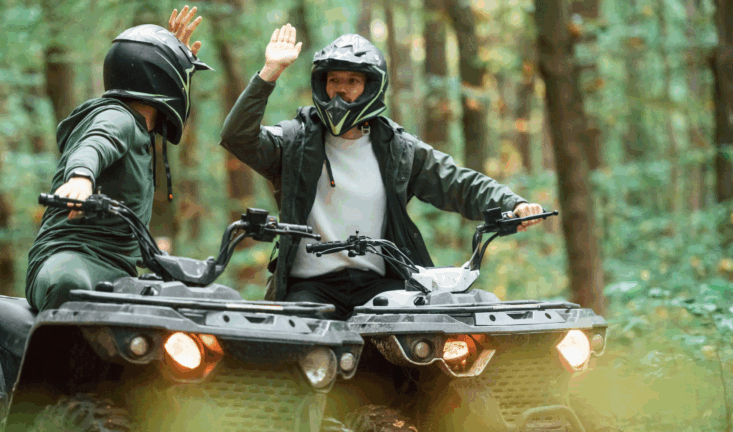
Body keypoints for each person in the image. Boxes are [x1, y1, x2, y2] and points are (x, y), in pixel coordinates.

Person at [220, 24, 545, 321]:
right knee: (294, 356)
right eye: (333, 80)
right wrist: (269, 73)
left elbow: (457, 182)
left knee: (426, 348)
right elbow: (238, 137)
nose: (340, 91)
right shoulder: (294, 141)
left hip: (380, 286)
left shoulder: (399, 149)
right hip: (309, 288)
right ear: (322, 83)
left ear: (371, 86)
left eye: (352, 82)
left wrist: (512, 203)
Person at [26, 7, 209, 312]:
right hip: (71, 257)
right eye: (181, 77)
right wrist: (81, 177)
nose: (184, 86)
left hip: (120, 269)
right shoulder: (118, 117)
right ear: (162, 80)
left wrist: (169, 51)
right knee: (69, 286)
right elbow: (97, 141)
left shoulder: (142, 133)